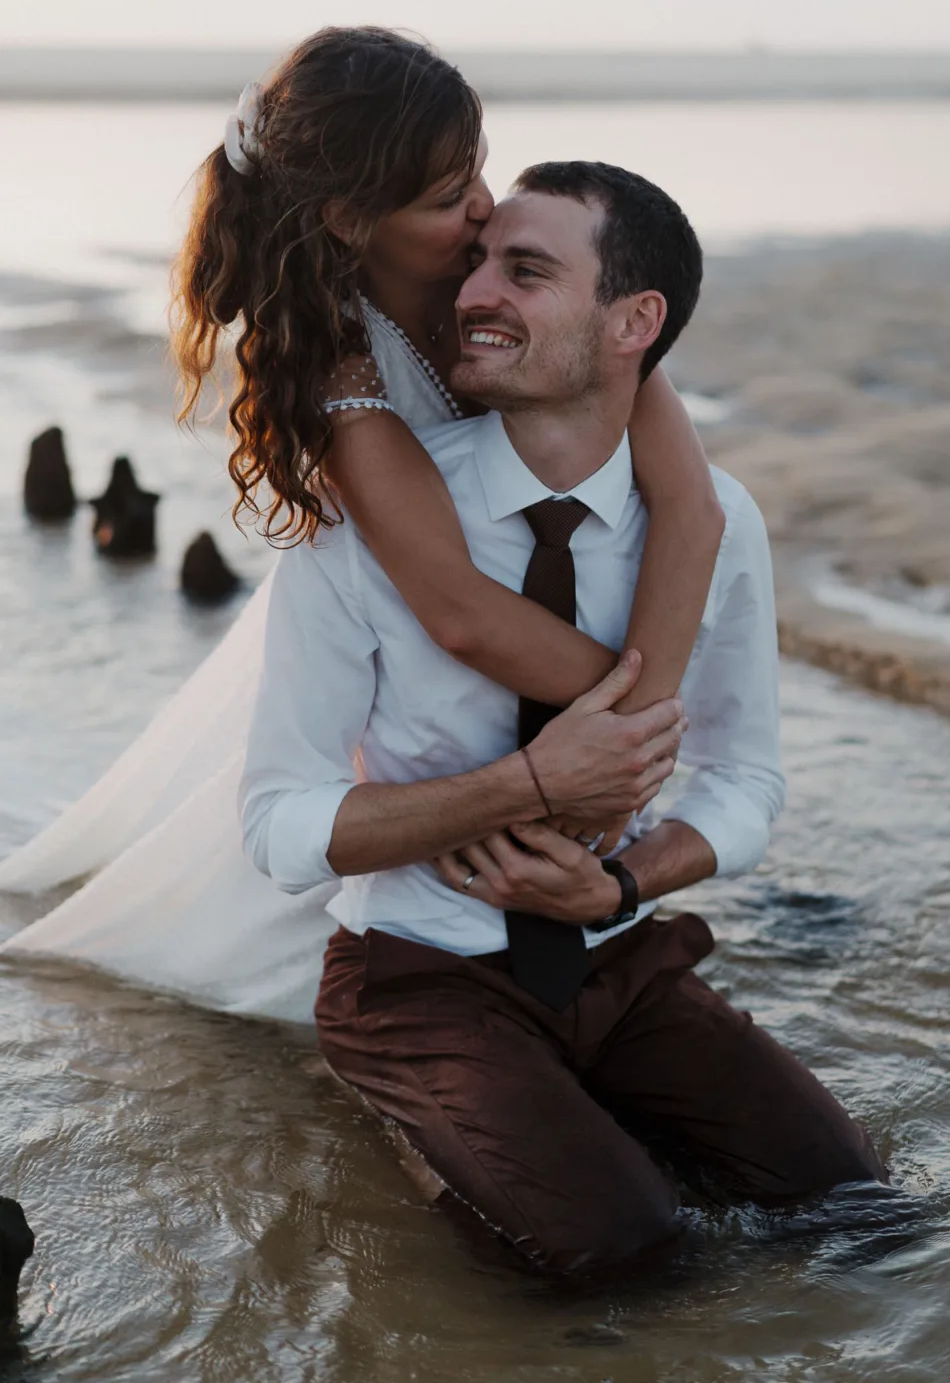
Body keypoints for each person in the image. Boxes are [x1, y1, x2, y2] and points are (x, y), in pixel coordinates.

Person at [241, 162, 887, 1274]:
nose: (474, 292)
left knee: (859, 1214)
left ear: (637, 321)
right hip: (414, 976)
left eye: (524, 270)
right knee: (628, 1258)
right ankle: (415, 1118)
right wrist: (522, 790)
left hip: (617, 956)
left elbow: (746, 781)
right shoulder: (369, 523)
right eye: (476, 261)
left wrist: (622, 885)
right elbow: (276, 824)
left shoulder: (714, 518)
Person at [0, 28, 722, 1021]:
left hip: (555, 648)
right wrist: (622, 736)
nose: (482, 206)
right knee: (343, 931)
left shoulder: (540, 292)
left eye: (475, 166)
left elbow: (691, 502)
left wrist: (632, 740)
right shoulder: (342, 370)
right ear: (346, 221)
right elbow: (455, 611)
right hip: (395, 645)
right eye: (442, 196)